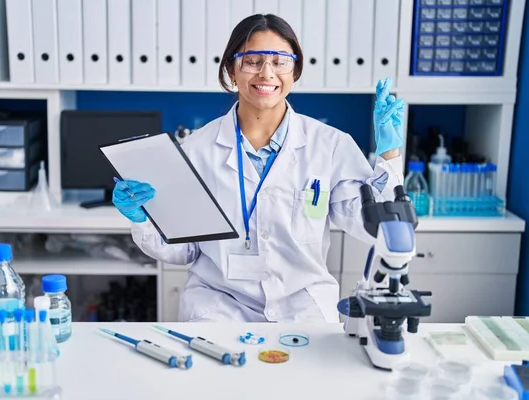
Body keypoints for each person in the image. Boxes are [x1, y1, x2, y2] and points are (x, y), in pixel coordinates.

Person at [112, 14, 405, 323]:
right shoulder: (196, 150)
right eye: (252, 61)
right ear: (231, 69)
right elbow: (184, 252)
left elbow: (373, 226)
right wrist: (143, 220)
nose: (267, 73)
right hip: (218, 306)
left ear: (295, 71)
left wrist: (389, 154)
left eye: (280, 62)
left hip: (302, 306)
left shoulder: (329, 146)